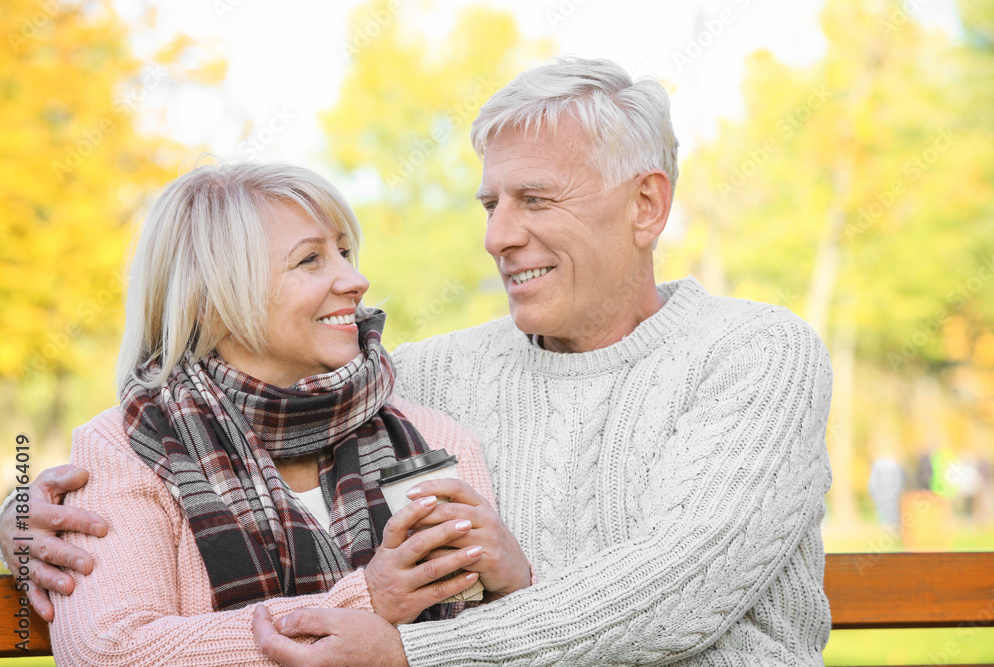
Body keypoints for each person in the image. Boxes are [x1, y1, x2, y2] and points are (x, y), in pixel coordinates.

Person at [3, 57, 833, 665]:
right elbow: (262, 390)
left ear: (646, 204)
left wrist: (404, 647)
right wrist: (18, 520)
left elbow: (668, 600)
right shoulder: (422, 384)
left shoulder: (756, 354)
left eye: (535, 199)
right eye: (491, 202)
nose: (498, 235)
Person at [0, 162, 530, 665]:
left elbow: (492, 635)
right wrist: (362, 601)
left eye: (345, 252)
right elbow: (111, 650)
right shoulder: (127, 447)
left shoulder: (430, 433)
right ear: (212, 301)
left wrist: (516, 583)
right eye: (310, 259)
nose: (355, 279)